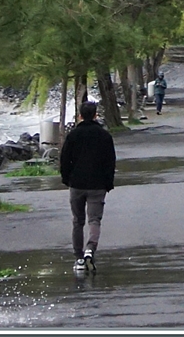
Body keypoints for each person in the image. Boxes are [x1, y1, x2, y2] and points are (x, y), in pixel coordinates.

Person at [58, 100, 115, 271]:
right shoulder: (104, 136)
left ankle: (78, 258)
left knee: (78, 221)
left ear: (80, 116)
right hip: (97, 184)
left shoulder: (73, 135)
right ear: (96, 115)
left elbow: (64, 159)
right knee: (94, 220)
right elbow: (110, 162)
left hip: (77, 183)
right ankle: (90, 249)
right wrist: (108, 183)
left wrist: (67, 178)